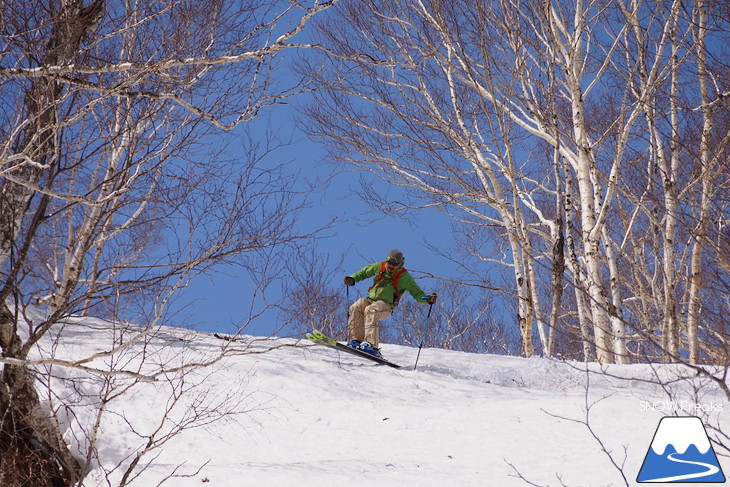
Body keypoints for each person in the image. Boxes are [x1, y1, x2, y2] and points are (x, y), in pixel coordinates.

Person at [343, 249, 437, 358]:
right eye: (389, 263)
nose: (391, 266)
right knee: (357, 306)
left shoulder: (404, 276)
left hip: (386, 305)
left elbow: (416, 292)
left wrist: (427, 299)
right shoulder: (380, 267)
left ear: (399, 264)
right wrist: (353, 278)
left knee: (371, 310)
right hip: (371, 299)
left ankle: (371, 346)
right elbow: (364, 272)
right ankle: (355, 340)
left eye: (394, 264)